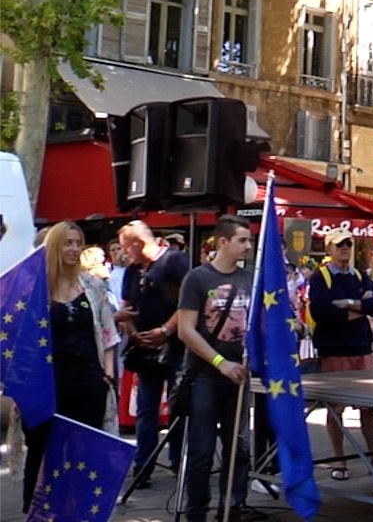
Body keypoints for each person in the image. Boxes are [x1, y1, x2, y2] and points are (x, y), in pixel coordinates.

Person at [20, 222, 119, 514]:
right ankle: (40, 514)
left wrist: (108, 374)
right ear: (54, 246)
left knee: (85, 453)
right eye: (68, 243)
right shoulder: (35, 287)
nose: (75, 249)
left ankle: (79, 513)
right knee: (43, 452)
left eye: (78, 242)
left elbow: (108, 332)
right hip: (46, 386)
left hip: (88, 382)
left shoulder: (93, 285)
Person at [174, 215, 260, 522]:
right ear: (223, 242)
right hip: (205, 377)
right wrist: (220, 363)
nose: (248, 246)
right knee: (201, 451)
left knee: (239, 448)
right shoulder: (197, 278)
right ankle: (196, 511)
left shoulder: (249, 279)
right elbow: (186, 330)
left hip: (240, 377)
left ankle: (232, 506)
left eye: (250, 240)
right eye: (242, 240)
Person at [306, 227, 373, 481]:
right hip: (334, 350)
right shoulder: (320, 278)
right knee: (336, 409)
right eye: (339, 244)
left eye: (348, 244)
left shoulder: (359, 275)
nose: (344, 248)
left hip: (361, 349)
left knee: (368, 407)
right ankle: (339, 461)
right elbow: (322, 312)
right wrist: (359, 307)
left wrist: (348, 304)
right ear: (329, 248)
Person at [118, 219, 190, 486]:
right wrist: (132, 331)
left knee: (178, 406)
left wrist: (165, 330)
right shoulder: (133, 271)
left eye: (127, 247)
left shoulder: (174, 262)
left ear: (139, 243)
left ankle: (178, 462)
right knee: (146, 409)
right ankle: (143, 465)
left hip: (175, 346)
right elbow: (127, 305)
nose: (125, 253)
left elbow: (187, 303)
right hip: (144, 349)